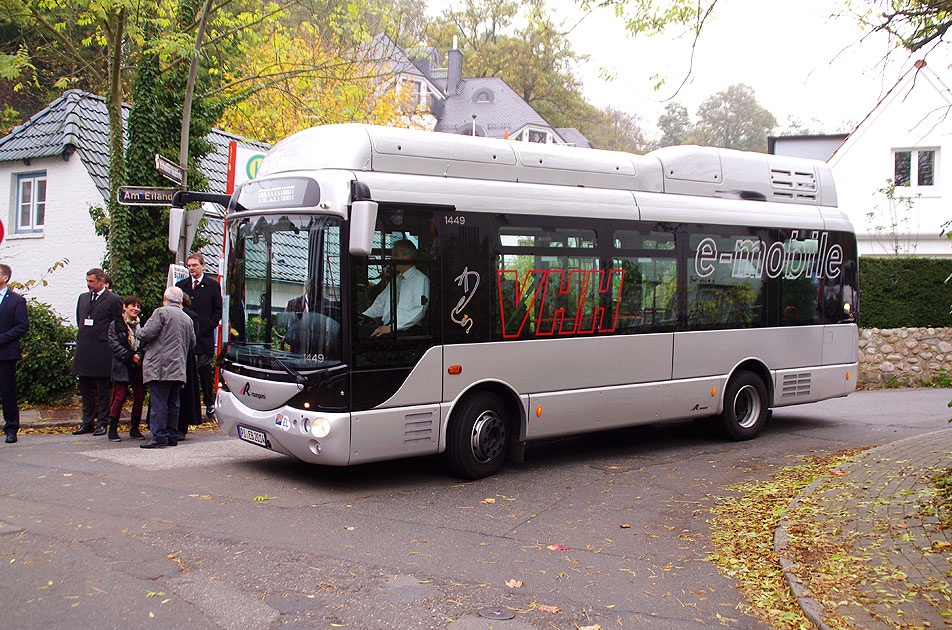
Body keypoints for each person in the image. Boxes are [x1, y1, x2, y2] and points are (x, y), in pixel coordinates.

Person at [136, 287, 195, 449]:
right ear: (181, 301)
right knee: (173, 402)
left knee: (159, 402)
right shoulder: (187, 319)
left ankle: (159, 436)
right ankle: (171, 434)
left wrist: (137, 330)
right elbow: (192, 343)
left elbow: (146, 334)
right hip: (178, 367)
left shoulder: (161, 313)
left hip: (159, 366)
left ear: (165, 298)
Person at [72, 268, 123, 436]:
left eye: (91, 281)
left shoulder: (113, 300)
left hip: (102, 350)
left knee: (102, 390)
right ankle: (87, 422)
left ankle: (103, 422)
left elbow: (118, 325)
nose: (88, 284)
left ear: (101, 281)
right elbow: (79, 319)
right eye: (87, 281)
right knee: (85, 388)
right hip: (85, 349)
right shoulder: (83, 298)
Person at [175, 252, 222, 420]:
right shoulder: (181, 285)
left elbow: (218, 311)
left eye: (194, 265)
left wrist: (208, 326)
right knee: (186, 370)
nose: (191, 268)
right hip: (184, 337)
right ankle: (187, 404)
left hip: (203, 336)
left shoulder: (212, 286)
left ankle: (209, 403)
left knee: (204, 369)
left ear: (203, 266)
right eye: (189, 266)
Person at [361, 240, 429, 338]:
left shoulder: (420, 279)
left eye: (396, 256)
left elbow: (419, 310)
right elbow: (380, 304)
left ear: (407, 257)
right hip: (389, 327)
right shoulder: (397, 279)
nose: (392, 259)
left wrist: (392, 327)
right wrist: (363, 317)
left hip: (407, 330)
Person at [106, 295, 146, 441]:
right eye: (132, 306)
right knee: (119, 396)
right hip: (122, 365)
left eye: (138, 306)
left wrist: (140, 355)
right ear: (124, 307)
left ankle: (135, 429)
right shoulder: (115, 324)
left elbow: (145, 342)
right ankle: (112, 430)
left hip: (137, 366)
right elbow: (114, 345)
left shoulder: (141, 325)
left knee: (139, 396)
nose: (135, 309)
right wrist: (131, 356)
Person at [0, 264, 29, 444]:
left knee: (7, 392)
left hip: (6, 353)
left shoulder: (16, 300)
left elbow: (22, 326)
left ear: (5, 278)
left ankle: (11, 428)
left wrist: (2, 338)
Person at [177, 294, 202, 438]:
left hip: (185, 358)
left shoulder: (191, 317)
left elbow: (193, 338)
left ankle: (181, 426)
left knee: (184, 393)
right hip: (182, 357)